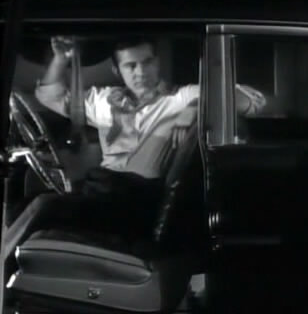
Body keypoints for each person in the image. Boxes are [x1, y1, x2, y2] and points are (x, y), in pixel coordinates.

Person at [35, 35, 266, 235]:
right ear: (117, 70)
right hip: (104, 191)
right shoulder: (104, 101)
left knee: (45, 207)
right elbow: (49, 96)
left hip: (142, 198)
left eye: (147, 62)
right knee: (40, 204)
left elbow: (254, 101)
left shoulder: (179, 98)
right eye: (131, 66)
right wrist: (60, 59)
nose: (141, 72)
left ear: (157, 62)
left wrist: (194, 107)